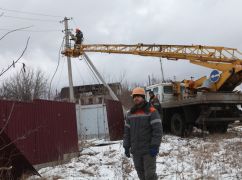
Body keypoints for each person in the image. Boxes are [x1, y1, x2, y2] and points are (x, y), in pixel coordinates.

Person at [123, 87, 162, 180]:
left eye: (138, 96)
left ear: (143, 97)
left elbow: (158, 130)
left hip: (148, 150)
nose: (136, 98)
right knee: (141, 175)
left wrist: (155, 146)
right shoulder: (130, 113)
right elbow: (127, 132)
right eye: (134, 96)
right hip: (136, 150)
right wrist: (126, 146)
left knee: (150, 176)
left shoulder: (152, 111)